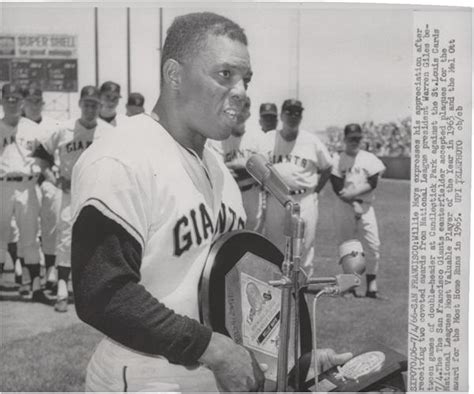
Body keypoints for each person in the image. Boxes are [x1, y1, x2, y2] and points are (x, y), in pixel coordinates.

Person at [70, 12, 352, 392]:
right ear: (174, 75)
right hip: (144, 374)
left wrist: (289, 363)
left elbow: (233, 294)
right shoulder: (121, 156)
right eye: (225, 75)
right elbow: (102, 292)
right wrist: (212, 349)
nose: (241, 91)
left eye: (245, 80)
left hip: (216, 372)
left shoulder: (218, 167)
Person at [33, 85, 113, 312]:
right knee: (66, 237)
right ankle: (61, 289)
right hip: (70, 191)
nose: (90, 109)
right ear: (80, 104)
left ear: (100, 106)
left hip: (99, 194)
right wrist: (52, 177)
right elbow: (41, 155)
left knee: (99, 240)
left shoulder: (108, 131)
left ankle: (95, 291)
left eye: (95, 105)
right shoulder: (64, 128)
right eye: (87, 104)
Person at [260, 99, 333, 277]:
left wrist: (315, 191)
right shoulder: (269, 138)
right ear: (282, 115)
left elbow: (327, 167)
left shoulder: (311, 141)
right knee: (274, 246)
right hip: (277, 198)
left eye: (297, 112)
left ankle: (301, 294)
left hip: (304, 199)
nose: (293, 116)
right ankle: (277, 293)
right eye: (289, 112)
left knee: (304, 246)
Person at [0, 83, 46, 303]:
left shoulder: (33, 128)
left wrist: (38, 170)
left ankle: (36, 287)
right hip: (2, 186)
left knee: (30, 237)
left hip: (27, 186)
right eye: (8, 98)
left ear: (22, 101)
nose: (12, 102)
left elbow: (46, 156)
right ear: (1, 101)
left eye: (17, 98)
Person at [330, 123, 386, 298]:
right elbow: (337, 186)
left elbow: (373, 182)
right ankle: (349, 287)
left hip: (366, 207)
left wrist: (354, 194)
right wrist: (353, 202)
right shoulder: (337, 159)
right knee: (347, 246)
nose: (355, 141)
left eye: (357, 138)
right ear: (345, 139)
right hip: (344, 206)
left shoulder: (369, 158)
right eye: (351, 138)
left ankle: (371, 286)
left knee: (372, 245)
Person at [23, 86, 61, 291]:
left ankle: (50, 271)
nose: (34, 105)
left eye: (38, 101)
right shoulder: (17, 124)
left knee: (50, 228)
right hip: (23, 184)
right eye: (30, 101)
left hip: (46, 181)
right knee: (26, 232)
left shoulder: (53, 124)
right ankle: (29, 276)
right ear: (23, 103)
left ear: (43, 103)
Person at [207, 96, 265, 231]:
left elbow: (263, 171)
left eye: (245, 107)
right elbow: (218, 173)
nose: (240, 111)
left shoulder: (258, 137)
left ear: (249, 113)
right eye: (236, 105)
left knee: (252, 241)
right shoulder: (217, 137)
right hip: (227, 197)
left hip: (252, 196)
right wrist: (247, 166)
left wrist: (233, 168)